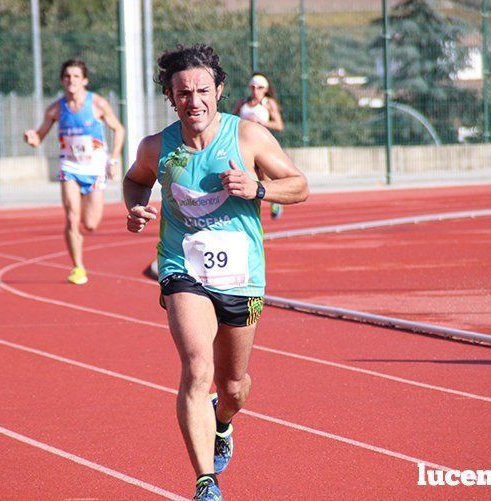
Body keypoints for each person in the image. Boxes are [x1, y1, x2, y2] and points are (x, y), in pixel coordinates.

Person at [123, 44, 308, 500]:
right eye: (183, 92)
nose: (194, 101)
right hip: (182, 266)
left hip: (241, 276)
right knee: (195, 366)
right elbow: (134, 180)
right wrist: (134, 208)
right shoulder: (156, 147)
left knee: (232, 387)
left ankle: (222, 421)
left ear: (219, 91)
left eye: (203, 90)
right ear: (170, 95)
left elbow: (300, 186)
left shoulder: (248, 137)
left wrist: (259, 187)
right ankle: (206, 481)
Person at [24, 58, 125, 284]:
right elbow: (38, 138)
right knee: (71, 217)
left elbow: (119, 129)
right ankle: (78, 267)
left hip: (94, 167)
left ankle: (85, 204)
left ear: (84, 80)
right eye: (67, 76)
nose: (71, 80)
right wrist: (32, 138)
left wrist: (114, 158)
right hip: (69, 167)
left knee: (90, 224)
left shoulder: (97, 104)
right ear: (62, 80)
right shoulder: (55, 109)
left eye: (76, 76)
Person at [232, 72, 286, 220]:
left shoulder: (268, 104)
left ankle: (274, 201)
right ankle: (247, 210)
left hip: (263, 144)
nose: (256, 90)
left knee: (264, 176)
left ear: (266, 89)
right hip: (243, 144)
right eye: (253, 87)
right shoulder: (242, 102)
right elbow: (231, 119)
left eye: (260, 87)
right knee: (247, 175)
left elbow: (279, 125)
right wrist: (243, 120)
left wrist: (260, 122)